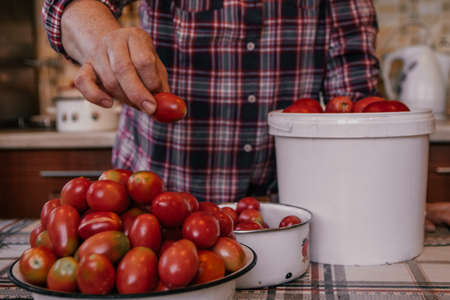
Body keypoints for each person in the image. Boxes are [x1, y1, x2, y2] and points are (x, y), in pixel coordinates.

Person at [42, 0, 449, 230]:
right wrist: (104, 41)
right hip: (159, 214)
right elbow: (67, 5)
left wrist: (387, 202)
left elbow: (356, 103)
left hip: (282, 222)